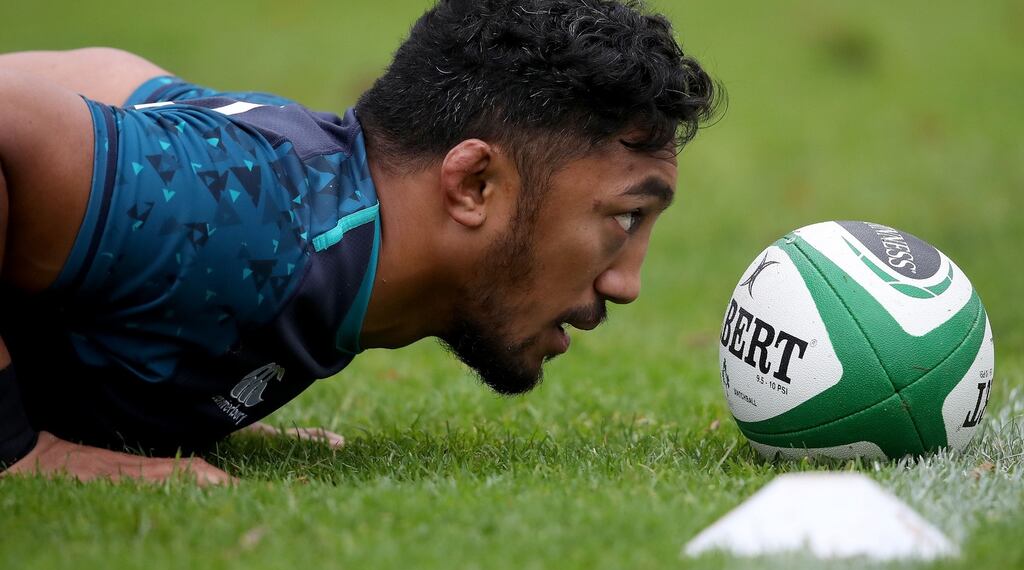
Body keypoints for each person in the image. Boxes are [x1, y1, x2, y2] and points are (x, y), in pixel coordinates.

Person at [0, 0, 719, 484]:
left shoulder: (319, 209)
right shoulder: (246, 214)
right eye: (624, 220)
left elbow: (103, 73)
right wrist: (18, 450)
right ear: (473, 184)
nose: (626, 282)